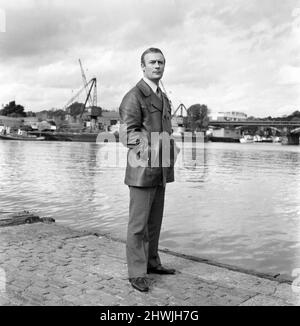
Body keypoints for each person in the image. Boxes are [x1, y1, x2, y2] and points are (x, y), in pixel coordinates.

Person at [119, 47, 179, 292]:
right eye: (152, 62)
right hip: (143, 169)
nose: (158, 66)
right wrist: (153, 151)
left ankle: (152, 262)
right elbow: (127, 134)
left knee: (154, 222)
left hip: (160, 170)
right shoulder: (134, 96)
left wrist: (169, 150)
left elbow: (167, 131)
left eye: (161, 62)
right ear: (142, 66)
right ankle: (136, 272)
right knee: (138, 225)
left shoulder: (163, 97)